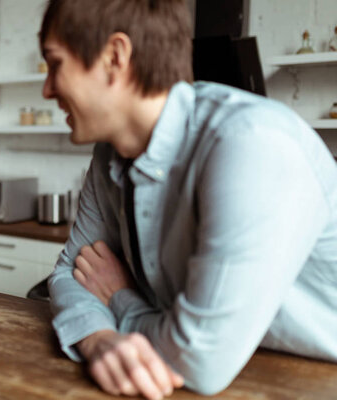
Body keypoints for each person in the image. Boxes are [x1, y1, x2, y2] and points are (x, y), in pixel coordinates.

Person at [38, 0, 337, 398]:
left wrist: (119, 299)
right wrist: (97, 338)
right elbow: (69, 273)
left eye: (56, 64)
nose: (47, 89)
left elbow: (200, 360)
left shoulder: (250, 143)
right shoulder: (110, 152)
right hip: (235, 371)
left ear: (115, 56)